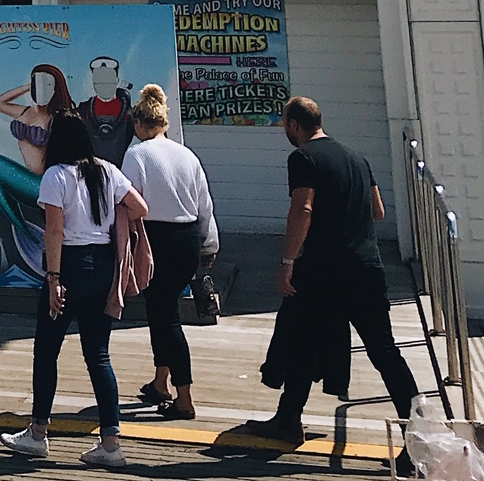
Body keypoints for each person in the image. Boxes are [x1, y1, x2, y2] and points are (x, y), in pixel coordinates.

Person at [244, 96, 420, 445]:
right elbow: (378, 211)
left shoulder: (303, 157)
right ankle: (420, 434)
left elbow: (303, 209)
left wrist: (287, 262)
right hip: (367, 268)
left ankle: (288, 420)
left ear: (295, 125)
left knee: (301, 341)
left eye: (284, 124)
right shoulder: (356, 158)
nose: (285, 130)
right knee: (384, 352)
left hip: (324, 271)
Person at [1, 113, 149, 470]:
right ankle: (110, 443)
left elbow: (54, 230)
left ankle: (37, 434)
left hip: (69, 265)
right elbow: (140, 207)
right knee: (98, 354)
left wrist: (53, 279)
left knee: (47, 350)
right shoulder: (106, 170)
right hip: (102, 268)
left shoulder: (56, 176)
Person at [121, 84, 218, 420]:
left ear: (138, 124)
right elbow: (204, 204)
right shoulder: (186, 155)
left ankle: (184, 397)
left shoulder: (136, 155)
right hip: (188, 238)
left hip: (156, 239)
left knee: (166, 316)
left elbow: (128, 202)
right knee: (160, 311)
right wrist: (210, 245)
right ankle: (161, 382)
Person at [0, 64, 76, 277]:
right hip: (30, 179)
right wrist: (27, 87)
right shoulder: (25, 112)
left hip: (46, 182)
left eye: (48, 84)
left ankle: (22, 229)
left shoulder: (58, 118)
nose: (42, 89)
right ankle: (15, 226)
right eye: (38, 83)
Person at [77, 55, 136, 166]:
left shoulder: (129, 113)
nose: (103, 83)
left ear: (116, 80)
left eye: (107, 79)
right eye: (99, 79)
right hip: (91, 172)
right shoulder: (83, 110)